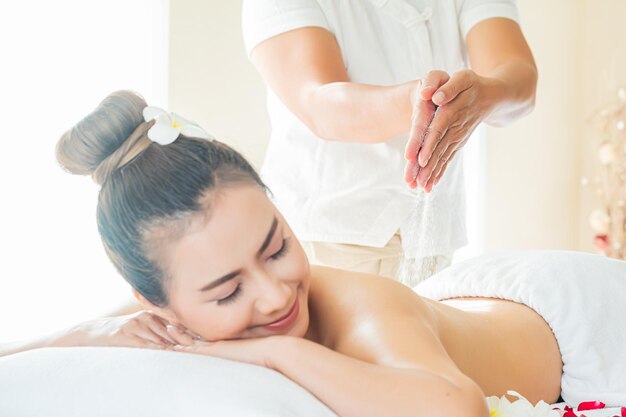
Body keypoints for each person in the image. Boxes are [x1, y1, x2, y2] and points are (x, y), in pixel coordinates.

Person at [4, 92, 625, 415]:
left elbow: (454, 408)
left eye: (276, 248)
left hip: (573, 319)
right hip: (463, 303)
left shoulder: (359, 307)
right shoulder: (166, 316)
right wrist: (98, 330)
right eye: (227, 292)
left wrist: (277, 350)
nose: (274, 295)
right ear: (156, 302)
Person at [241, 0, 538, 285]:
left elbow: (517, 76)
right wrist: (417, 101)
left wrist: (484, 95)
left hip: (431, 236)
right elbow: (320, 104)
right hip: (332, 238)